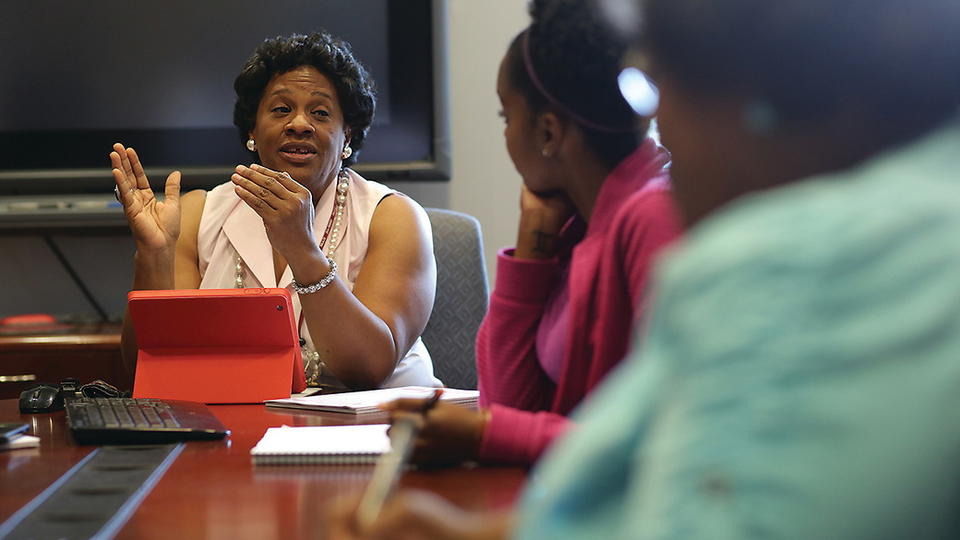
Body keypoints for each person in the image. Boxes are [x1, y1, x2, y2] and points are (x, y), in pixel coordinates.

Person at [330, 0, 960, 537]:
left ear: (761, 103)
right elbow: (636, 481)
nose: (659, 139)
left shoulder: (771, 262)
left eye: (656, 92)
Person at [383, 0, 680, 467]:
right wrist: (531, 251)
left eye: (506, 117)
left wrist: (485, 434)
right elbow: (508, 405)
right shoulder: (578, 223)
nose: (506, 135)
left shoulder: (652, 218)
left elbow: (662, 438)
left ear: (547, 133)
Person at [111, 32, 440, 391]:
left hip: (378, 428)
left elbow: (369, 368)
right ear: (253, 129)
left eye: (320, 112)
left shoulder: (393, 217)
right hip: (239, 425)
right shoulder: (198, 214)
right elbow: (151, 370)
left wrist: (302, 248)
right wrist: (154, 256)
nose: (299, 124)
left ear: (347, 136)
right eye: (281, 109)